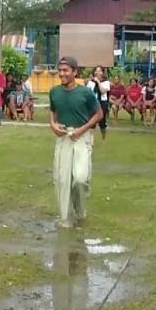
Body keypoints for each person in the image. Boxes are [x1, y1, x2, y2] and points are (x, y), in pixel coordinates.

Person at [49, 56, 102, 229]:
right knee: (63, 179)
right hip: (63, 137)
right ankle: (65, 217)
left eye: (65, 71)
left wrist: (83, 129)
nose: (62, 74)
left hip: (81, 137)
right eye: (60, 71)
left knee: (80, 178)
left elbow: (99, 114)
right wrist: (53, 124)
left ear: (74, 72)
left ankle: (80, 211)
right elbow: (53, 111)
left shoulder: (85, 92)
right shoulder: (55, 92)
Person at [87, 66, 110, 140]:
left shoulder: (106, 82)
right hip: (93, 102)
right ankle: (91, 140)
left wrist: (98, 82)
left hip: (102, 102)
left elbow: (103, 91)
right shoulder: (91, 82)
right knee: (91, 122)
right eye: (96, 71)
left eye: (100, 71)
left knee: (102, 122)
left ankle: (103, 137)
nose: (98, 72)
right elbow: (88, 92)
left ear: (102, 73)